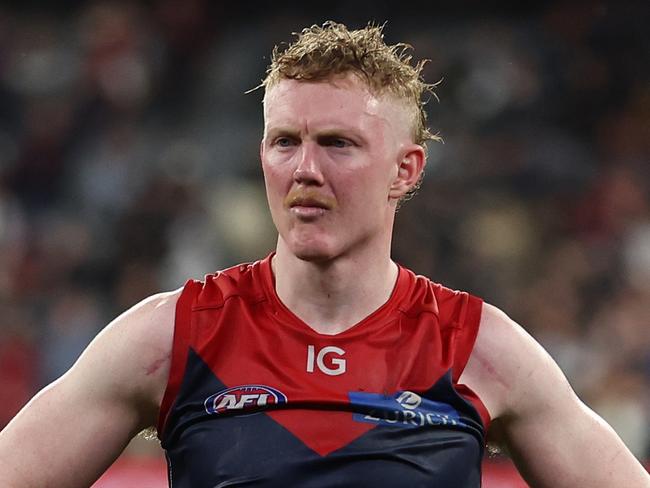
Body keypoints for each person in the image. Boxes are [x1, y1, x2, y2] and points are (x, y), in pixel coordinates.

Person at [0, 21, 648, 488]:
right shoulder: (172, 337)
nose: (304, 168)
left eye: (338, 143)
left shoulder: (479, 349)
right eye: (285, 141)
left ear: (406, 170)